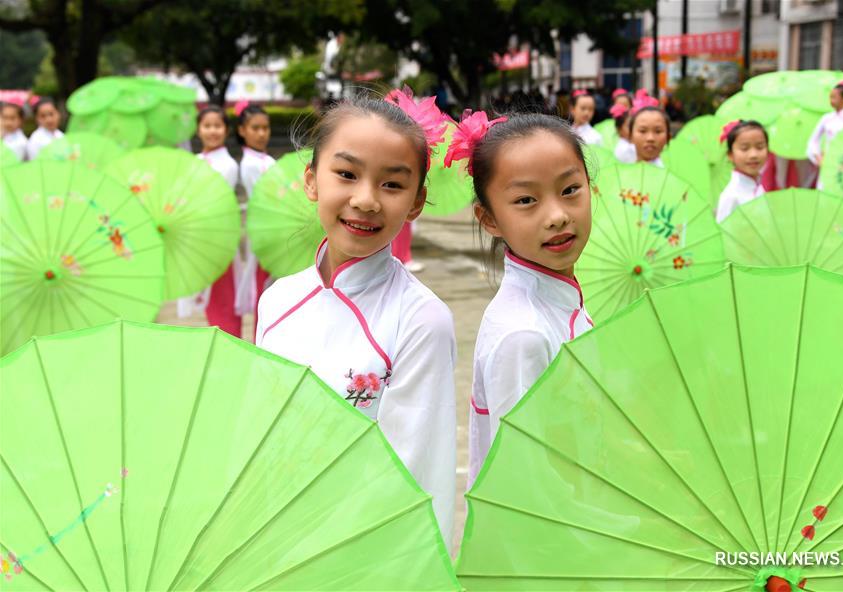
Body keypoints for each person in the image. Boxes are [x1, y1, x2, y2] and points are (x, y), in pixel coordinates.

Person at [255, 89, 457, 545]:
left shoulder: (422, 320)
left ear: (418, 201)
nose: (366, 200)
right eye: (346, 174)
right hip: (275, 544)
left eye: (392, 184)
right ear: (311, 180)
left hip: (363, 553)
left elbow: (421, 478)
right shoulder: (276, 301)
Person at [444, 111, 594, 484]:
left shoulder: (561, 300)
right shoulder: (523, 334)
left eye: (570, 190)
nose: (557, 215)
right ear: (489, 219)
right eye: (527, 200)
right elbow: (527, 482)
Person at [177, 106, 242, 331]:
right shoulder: (193, 161)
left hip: (217, 236)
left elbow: (217, 200)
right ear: (198, 129)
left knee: (222, 296)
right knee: (205, 295)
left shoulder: (229, 165)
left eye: (217, 125)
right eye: (207, 125)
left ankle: (229, 342)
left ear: (226, 130)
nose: (212, 131)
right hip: (196, 236)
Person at [235, 100, 276, 333]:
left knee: (269, 286)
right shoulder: (250, 163)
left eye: (265, 128)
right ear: (242, 131)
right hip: (263, 230)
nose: (262, 134)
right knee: (264, 289)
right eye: (255, 128)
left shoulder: (264, 160)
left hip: (270, 227)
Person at [806, 80, 843, 188]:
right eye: (830, 97)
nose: (831, 101)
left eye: (834, 97)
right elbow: (814, 139)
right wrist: (818, 157)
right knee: (824, 190)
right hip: (828, 161)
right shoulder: (827, 118)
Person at [715, 120, 769, 223]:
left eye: (760, 147)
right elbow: (723, 233)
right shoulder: (731, 196)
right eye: (745, 148)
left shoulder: (763, 188)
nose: (753, 155)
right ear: (730, 154)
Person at [629, 99, 670, 167]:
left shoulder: (669, 176)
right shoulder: (622, 174)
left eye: (658, 131)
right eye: (642, 131)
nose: (650, 138)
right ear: (630, 136)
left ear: (668, 137)